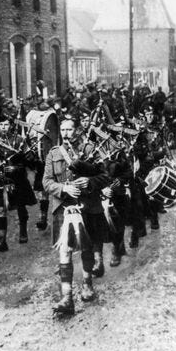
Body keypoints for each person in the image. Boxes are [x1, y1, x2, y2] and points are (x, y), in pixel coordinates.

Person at [42, 118, 110, 315]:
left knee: (86, 248)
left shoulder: (90, 150)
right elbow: (46, 182)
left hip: (86, 207)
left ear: (77, 130)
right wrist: (64, 188)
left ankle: (87, 284)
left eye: (69, 129)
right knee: (65, 251)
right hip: (63, 208)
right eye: (63, 129)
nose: (66, 133)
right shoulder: (54, 153)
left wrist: (89, 182)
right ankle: (67, 297)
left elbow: (106, 176)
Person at [0, 114, 37, 249]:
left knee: (20, 207)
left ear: (11, 125)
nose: (3, 127)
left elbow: (29, 160)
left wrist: (21, 163)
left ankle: (23, 230)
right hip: (2, 179)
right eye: (1, 125)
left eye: (6, 124)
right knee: (1, 209)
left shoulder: (19, 140)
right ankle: (2, 239)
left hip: (18, 178)